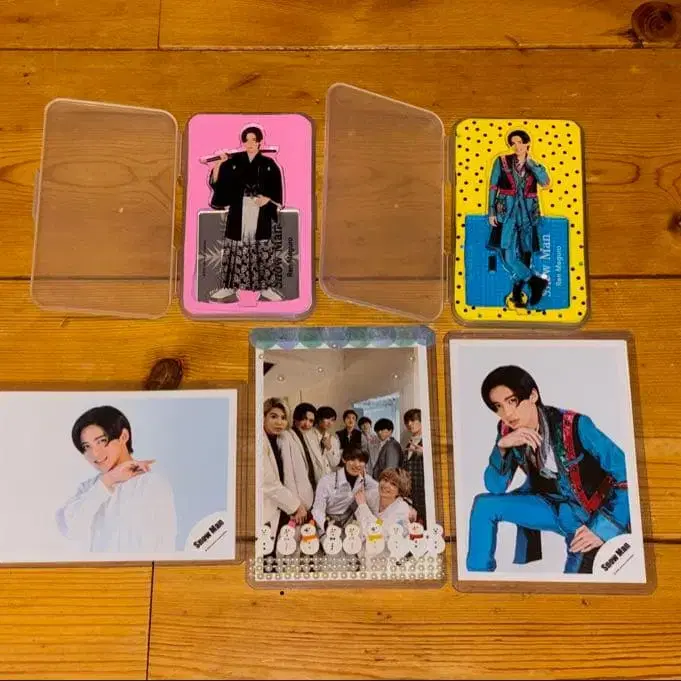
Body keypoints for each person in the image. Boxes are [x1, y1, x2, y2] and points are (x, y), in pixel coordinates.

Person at [466, 365, 631, 574]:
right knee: (484, 506)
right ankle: (477, 577)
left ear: (533, 395)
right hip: (547, 505)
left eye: (512, 401)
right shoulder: (507, 431)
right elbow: (495, 487)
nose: (507, 413)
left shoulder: (575, 425)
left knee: (574, 583)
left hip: (585, 514)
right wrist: (502, 448)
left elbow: (627, 474)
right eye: (498, 406)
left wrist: (602, 528)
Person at [56, 406, 177, 553]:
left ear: (123, 436)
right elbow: (71, 530)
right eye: (87, 447)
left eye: (101, 441)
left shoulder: (151, 484)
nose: (95, 454)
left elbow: (164, 544)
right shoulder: (89, 487)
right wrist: (108, 480)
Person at [208, 125, 283, 304]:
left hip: (260, 210)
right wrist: (219, 164)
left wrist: (268, 200)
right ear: (242, 142)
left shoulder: (269, 165)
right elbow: (219, 185)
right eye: (246, 140)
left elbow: (276, 192)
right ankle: (229, 286)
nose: (249, 144)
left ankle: (265, 288)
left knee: (261, 248)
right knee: (236, 248)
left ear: (260, 142)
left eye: (253, 140)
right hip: (239, 210)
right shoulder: (233, 163)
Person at [488, 130, 550, 308]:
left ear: (527, 143)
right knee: (508, 257)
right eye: (513, 143)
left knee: (526, 254)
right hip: (507, 214)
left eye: (519, 142)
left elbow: (545, 182)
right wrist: (491, 211)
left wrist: (531, 163)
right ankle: (535, 282)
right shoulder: (502, 161)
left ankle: (518, 293)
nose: (516, 146)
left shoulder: (534, 165)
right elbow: (493, 186)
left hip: (528, 216)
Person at [261, 398, 308, 544]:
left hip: (280, 505)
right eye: (273, 416)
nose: (279, 422)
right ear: (263, 417)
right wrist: (295, 506)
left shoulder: (279, 440)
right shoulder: (259, 440)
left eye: (283, 418)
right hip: (266, 506)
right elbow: (267, 482)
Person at [311, 446, 379, 535]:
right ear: (344, 459)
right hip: (328, 520)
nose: (357, 464)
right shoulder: (326, 481)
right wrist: (327, 525)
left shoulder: (364, 478)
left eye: (361, 461)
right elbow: (317, 510)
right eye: (352, 459)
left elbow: (381, 488)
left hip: (349, 520)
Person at [354, 468, 412, 535]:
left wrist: (363, 506)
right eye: (385, 480)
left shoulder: (402, 509)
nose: (386, 485)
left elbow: (379, 534)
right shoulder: (374, 494)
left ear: (400, 491)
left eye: (393, 484)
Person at [400, 408, 427, 527]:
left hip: (424, 491)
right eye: (407, 422)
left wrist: (425, 454)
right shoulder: (409, 442)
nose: (409, 424)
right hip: (411, 492)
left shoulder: (428, 440)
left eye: (413, 420)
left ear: (421, 421)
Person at [313, 406, 342, 472]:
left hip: (328, 475)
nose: (330, 422)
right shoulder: (309, 436)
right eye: (327, 418)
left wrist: (329, 448)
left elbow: (335, 463)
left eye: (332, 420)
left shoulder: (333, 439)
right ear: (319, 418)